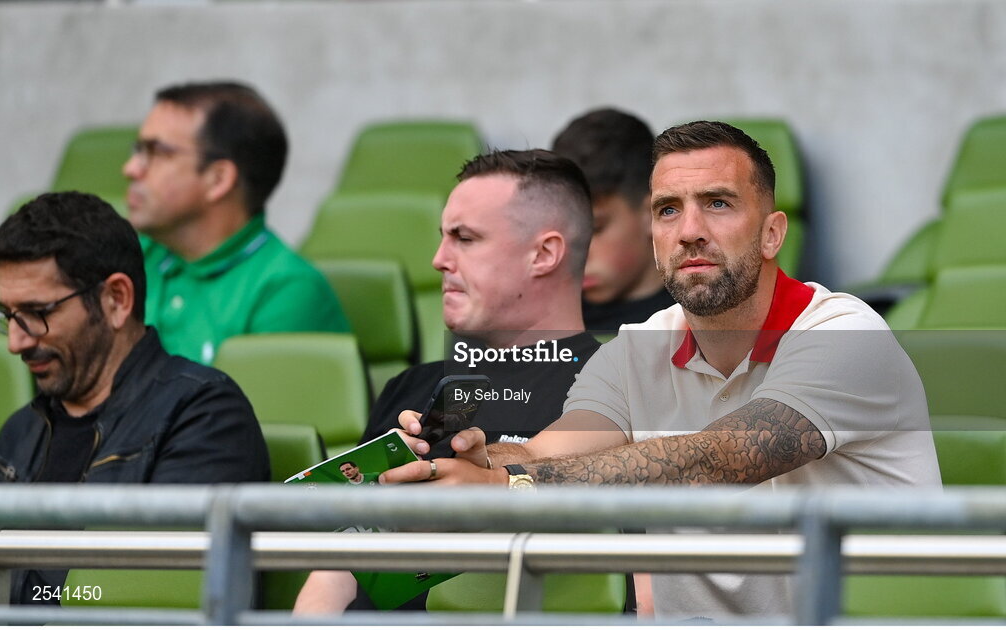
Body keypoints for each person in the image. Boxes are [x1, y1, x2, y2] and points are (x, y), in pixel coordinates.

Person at [384, 121, 942, 619]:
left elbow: (724, 457)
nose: (689, 229)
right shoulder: (636, 350)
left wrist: (512, 486)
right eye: (667, 209)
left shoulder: (846, 333)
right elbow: (544, 454)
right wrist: (475, 466)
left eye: (718, 203)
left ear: (773, 233)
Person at [294, 149, 603, 614]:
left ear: (544, 253)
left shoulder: (611, 393)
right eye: (443, 238)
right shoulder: (409, 387)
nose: (439, 260)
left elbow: (640, 592)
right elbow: (335, 573)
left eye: (465, 238)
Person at [0, 191, 270, 605]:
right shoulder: (20, 431)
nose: (15, 341)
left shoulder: (204, 414)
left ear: (117, 299)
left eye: (37, 313)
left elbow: (142, 596)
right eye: (7, 315)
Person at [123, 81, 349, 364]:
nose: (130, 169)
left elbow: (263, 408)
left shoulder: (285, 291)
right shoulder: (127, 256)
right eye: (138, 151)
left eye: (157, 152)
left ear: (218, 179)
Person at [552, 108, 675, 331]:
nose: (573, 253)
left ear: (654, 212)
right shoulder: (545, 317)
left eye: (595, 229)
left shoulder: (696, 326)